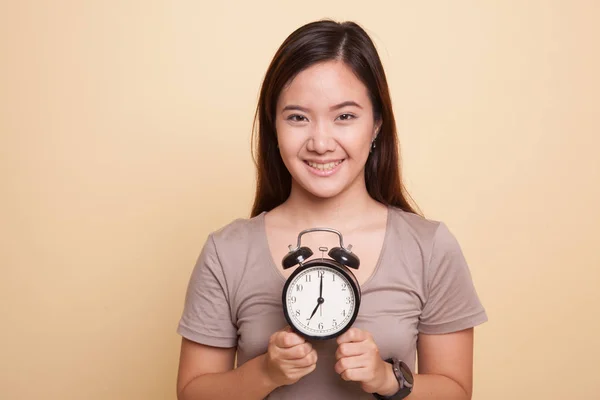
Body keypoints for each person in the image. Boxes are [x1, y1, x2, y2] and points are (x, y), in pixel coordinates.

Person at [175, 19, 487, 400]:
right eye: (297, 117)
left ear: (376, 126)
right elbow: (193, 392)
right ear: (273, 128)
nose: (321, 142)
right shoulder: (227, 251)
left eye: (344, 116)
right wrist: (266, 373)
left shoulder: (429, 247)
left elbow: (456, 390)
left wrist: (387, 380)